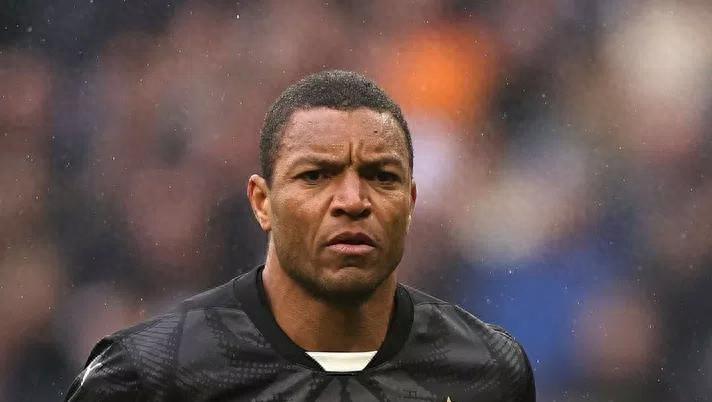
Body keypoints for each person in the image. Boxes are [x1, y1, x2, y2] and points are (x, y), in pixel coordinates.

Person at [65, 70, 536, 401]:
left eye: (382, 177)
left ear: (410, 203)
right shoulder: (148, 375)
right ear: (262, 203)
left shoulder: (488, 371)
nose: (353, 200)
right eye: (315, 176)